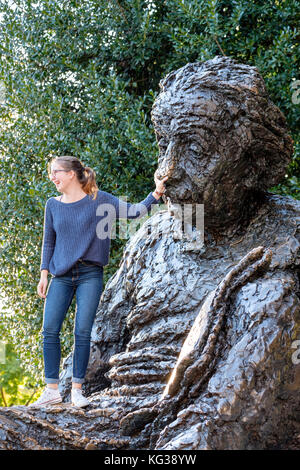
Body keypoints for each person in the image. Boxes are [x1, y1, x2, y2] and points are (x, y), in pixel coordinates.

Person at [31, 155, 168, 408]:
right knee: (49, 330)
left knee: (82, 332)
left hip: (89, 275)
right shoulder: (53, 204)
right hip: (60, 276)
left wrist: (157, 191)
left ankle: (76, 391)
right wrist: (44, 274)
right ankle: (51, 390)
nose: (52, 177)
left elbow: (135, 212)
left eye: (56, 172)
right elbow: (48, 240)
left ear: (71, 173)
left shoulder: (99, 200)